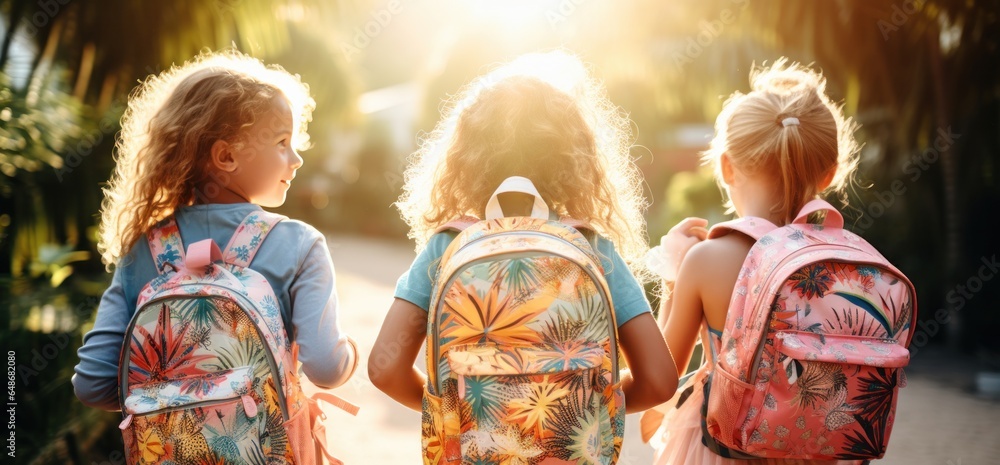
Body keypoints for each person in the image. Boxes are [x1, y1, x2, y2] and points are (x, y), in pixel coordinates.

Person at [368, 51, 677, 461]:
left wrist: (448, 410)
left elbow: (384, 369)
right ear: (575, 158)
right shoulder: (591, 246)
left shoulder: (447, 247)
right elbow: (658, 381)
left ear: (464, 157)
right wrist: (595, 404)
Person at [73, 50, 357, 412]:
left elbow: (93, 385)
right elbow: (326, 368)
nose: (297, 159)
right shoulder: (300, 245)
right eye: (282, 142)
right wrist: (351, 355)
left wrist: (167, 401)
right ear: (226, 157)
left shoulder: (142, 248)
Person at [643, 59, 865, 465]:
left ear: (727, 166)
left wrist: (674, 277)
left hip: (723, 452)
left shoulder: (708, 259)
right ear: (830, 173)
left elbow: (660, 378)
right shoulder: (851, 266)